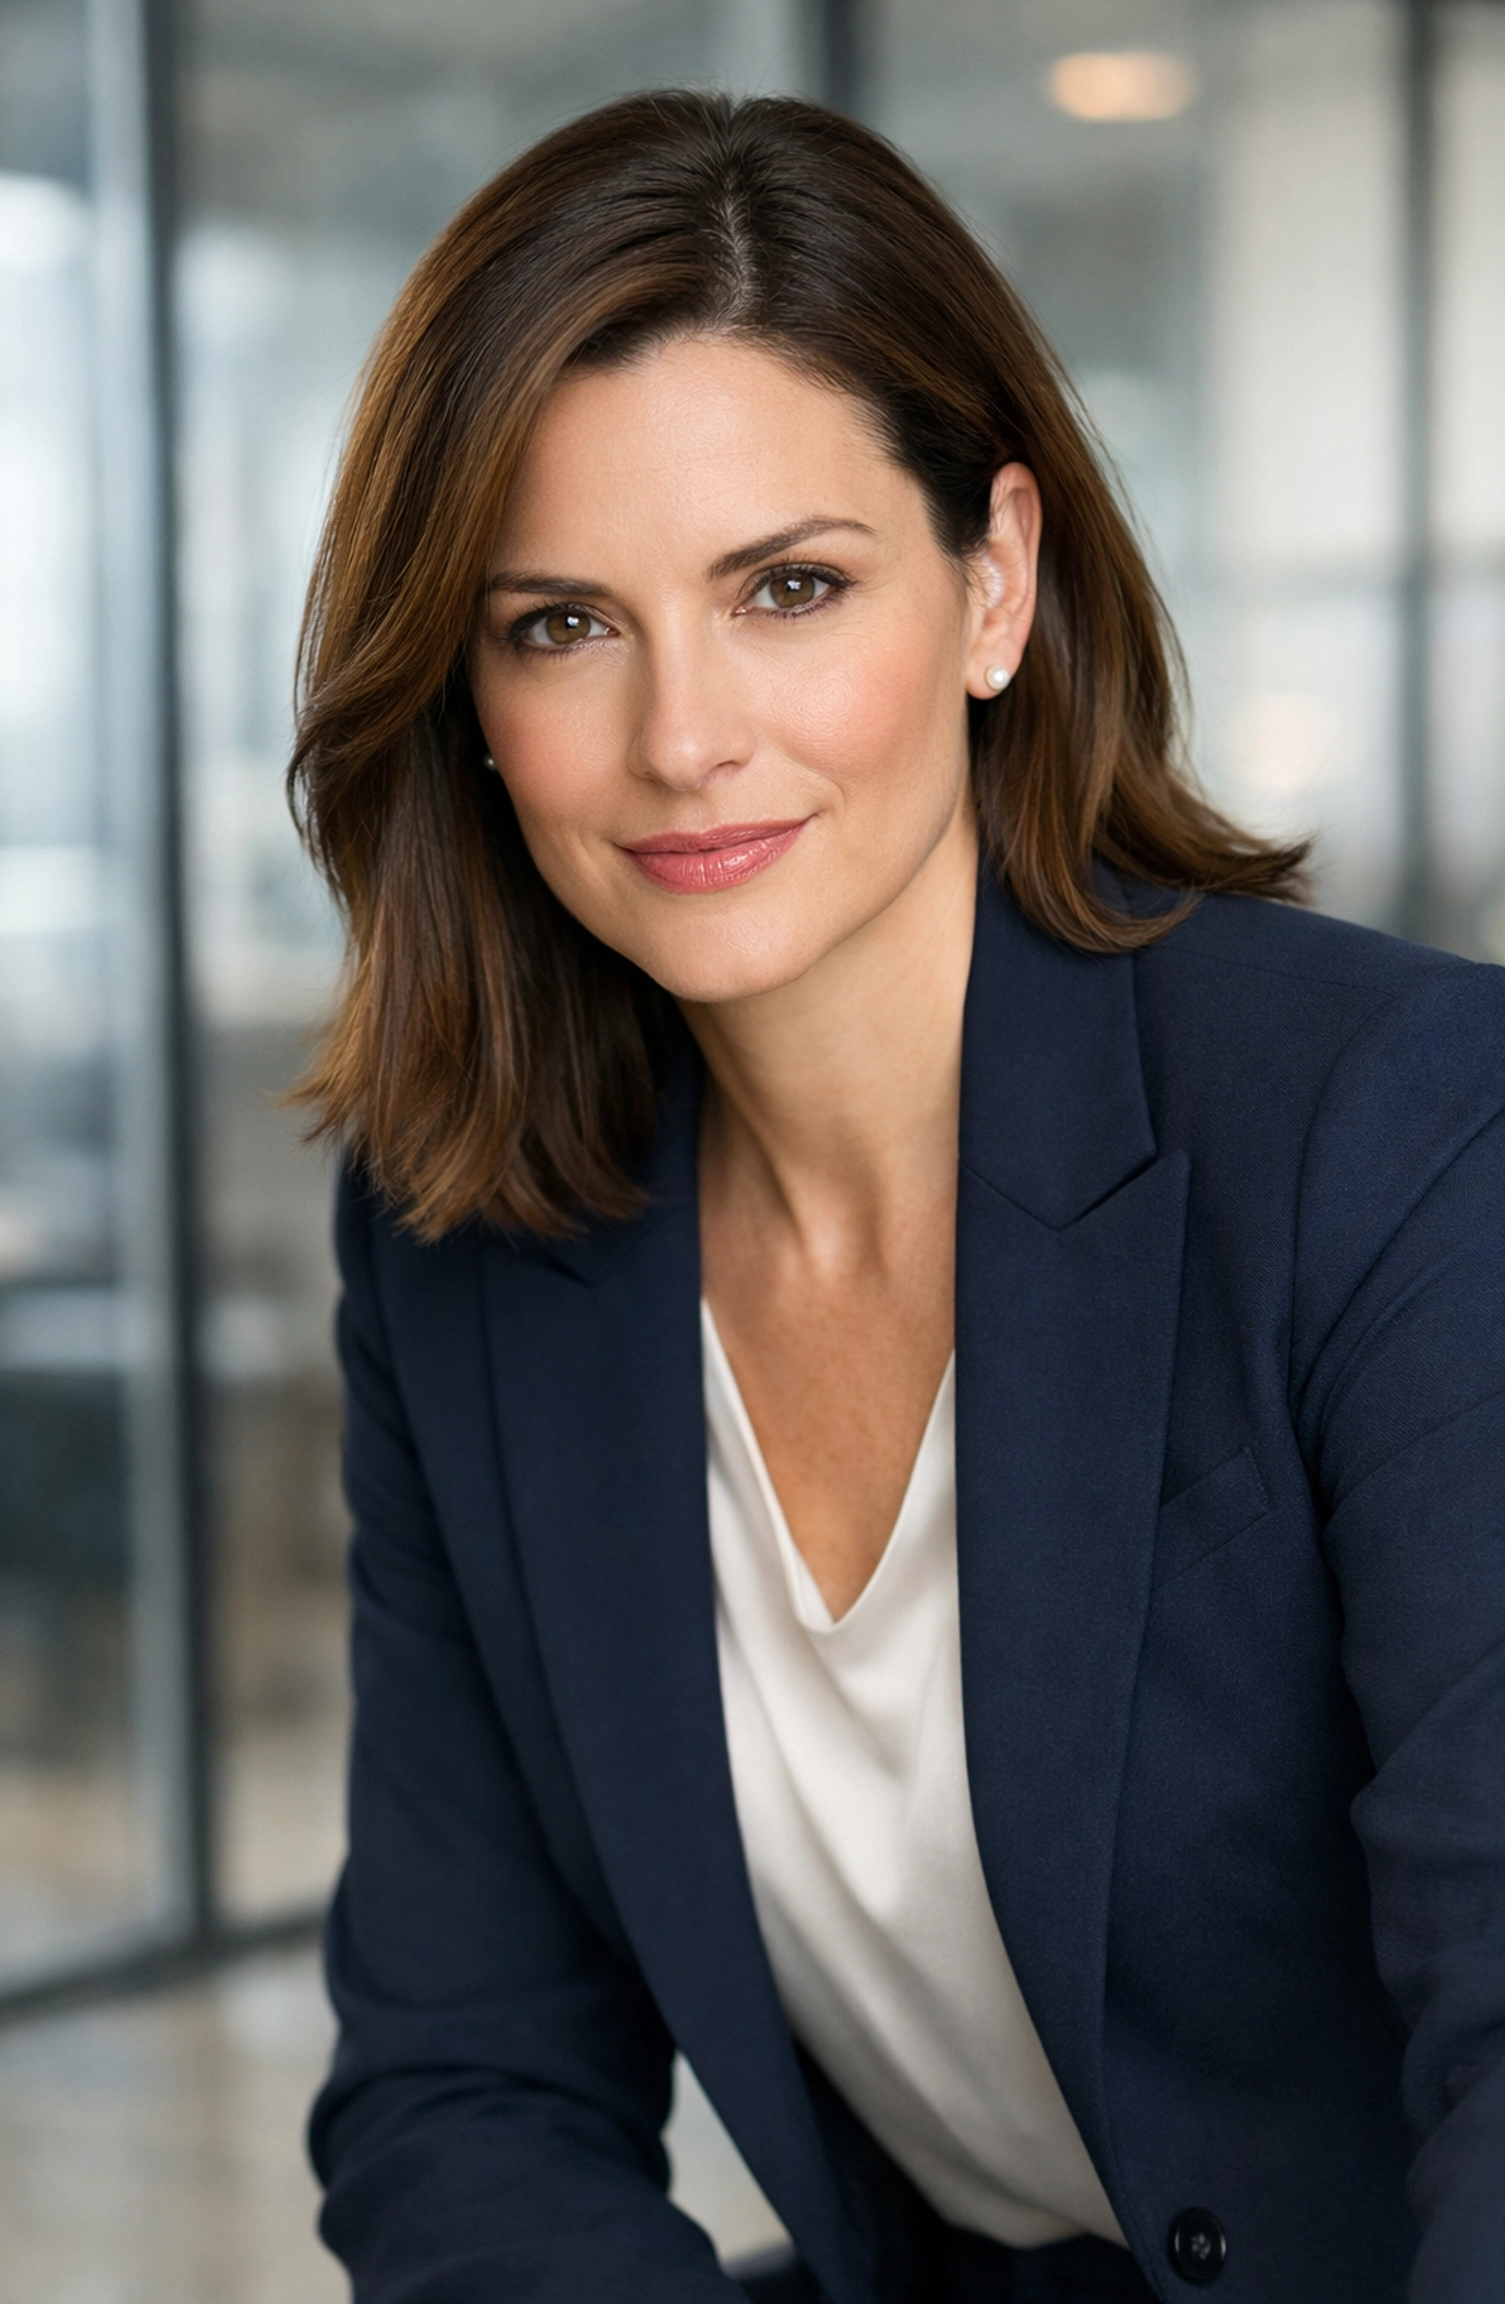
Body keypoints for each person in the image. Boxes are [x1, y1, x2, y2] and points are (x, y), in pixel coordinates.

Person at [290, 90, 1505, 2304]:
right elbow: (468, 2087)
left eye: (788, 588)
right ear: (463, 695)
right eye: (560, 626)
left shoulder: (1397, 1133)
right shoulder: (462, 1243)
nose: (685, 737)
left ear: (996, 581)